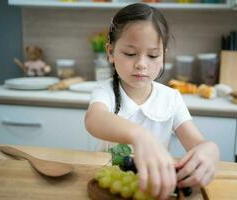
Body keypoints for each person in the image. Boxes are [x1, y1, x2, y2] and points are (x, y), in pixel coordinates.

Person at [85, 3, 220, 200]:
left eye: (153, 55)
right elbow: (94, 119)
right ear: (110, 52)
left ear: (163, 54)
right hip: (110, 191)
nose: (141, 64)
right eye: (130, 54)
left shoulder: (171, 98)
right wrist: (140, 136)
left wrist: (211, 149)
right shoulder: (104, 92)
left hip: (152, 189)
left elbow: (198, 143)